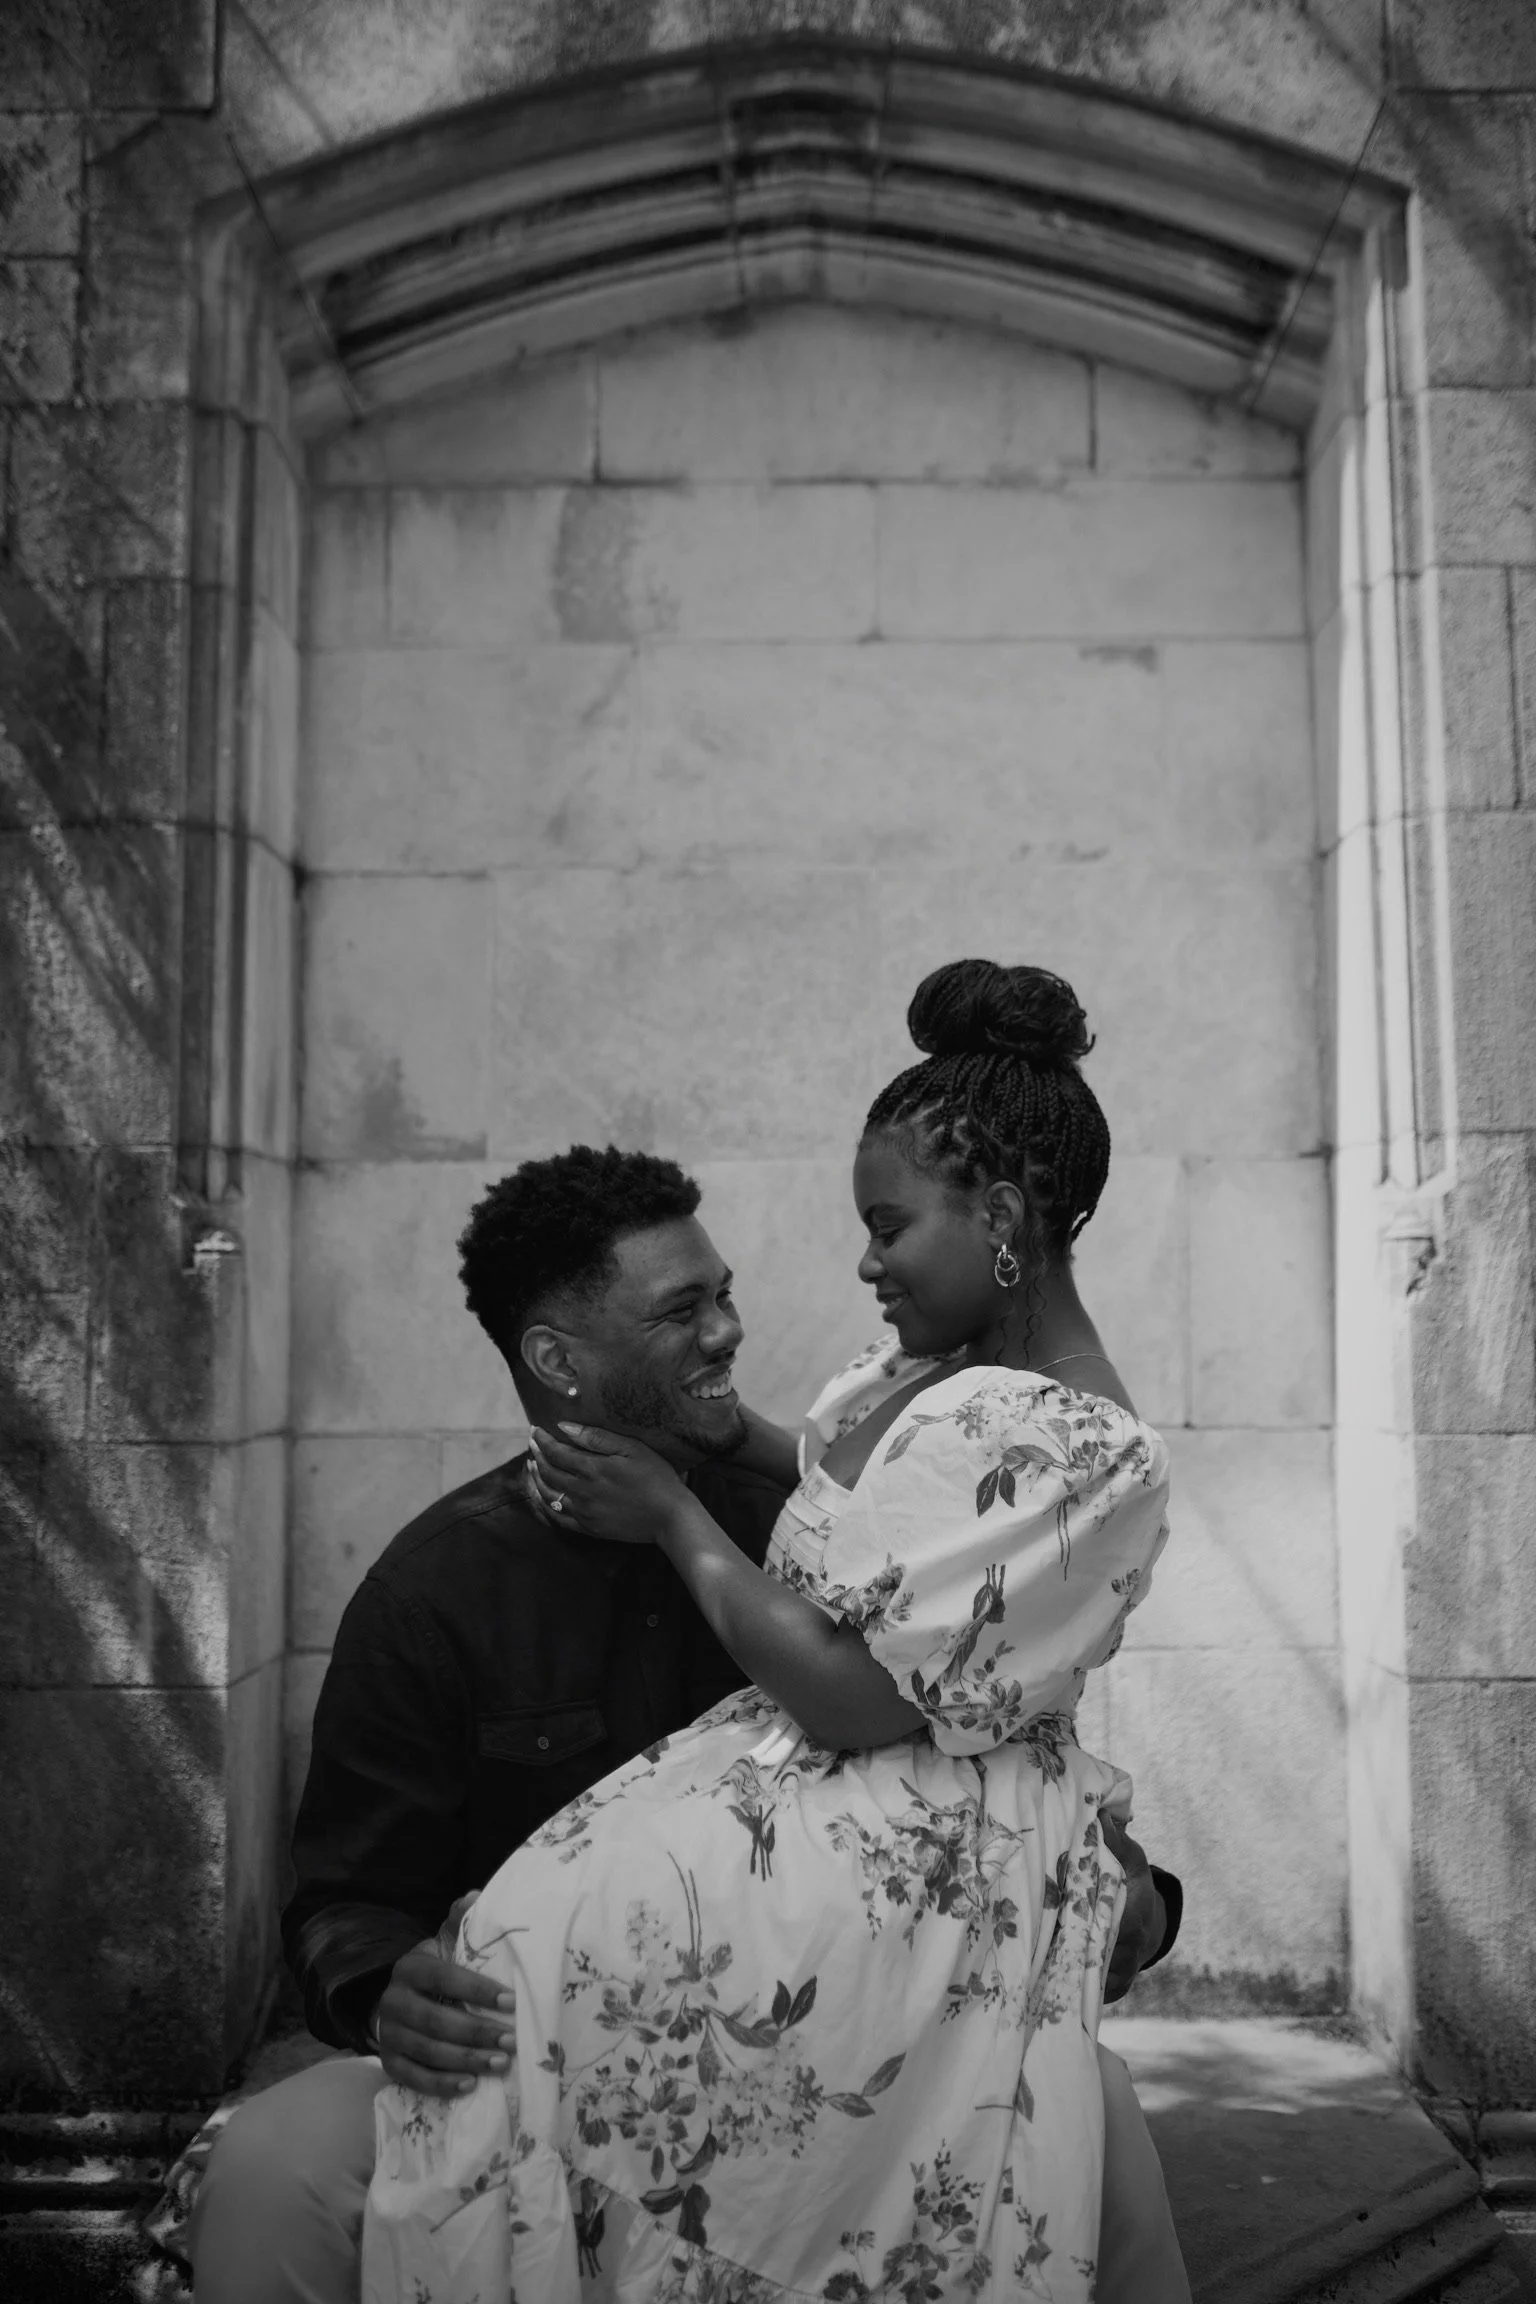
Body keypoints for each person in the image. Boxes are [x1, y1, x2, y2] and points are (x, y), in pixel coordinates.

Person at [188, 1136, 1181, 2303]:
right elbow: (343, 1902)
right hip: (549, 2073)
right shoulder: (433, 1594)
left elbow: (1003, 1781)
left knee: (1098, 2115)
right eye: (681, 1311)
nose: (726, 1333)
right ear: (556, 1358)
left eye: (724, 1296)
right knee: (270, 2162)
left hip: (868, 2067)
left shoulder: (823, 1536)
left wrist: (1138, 1898)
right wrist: (380, 1988)